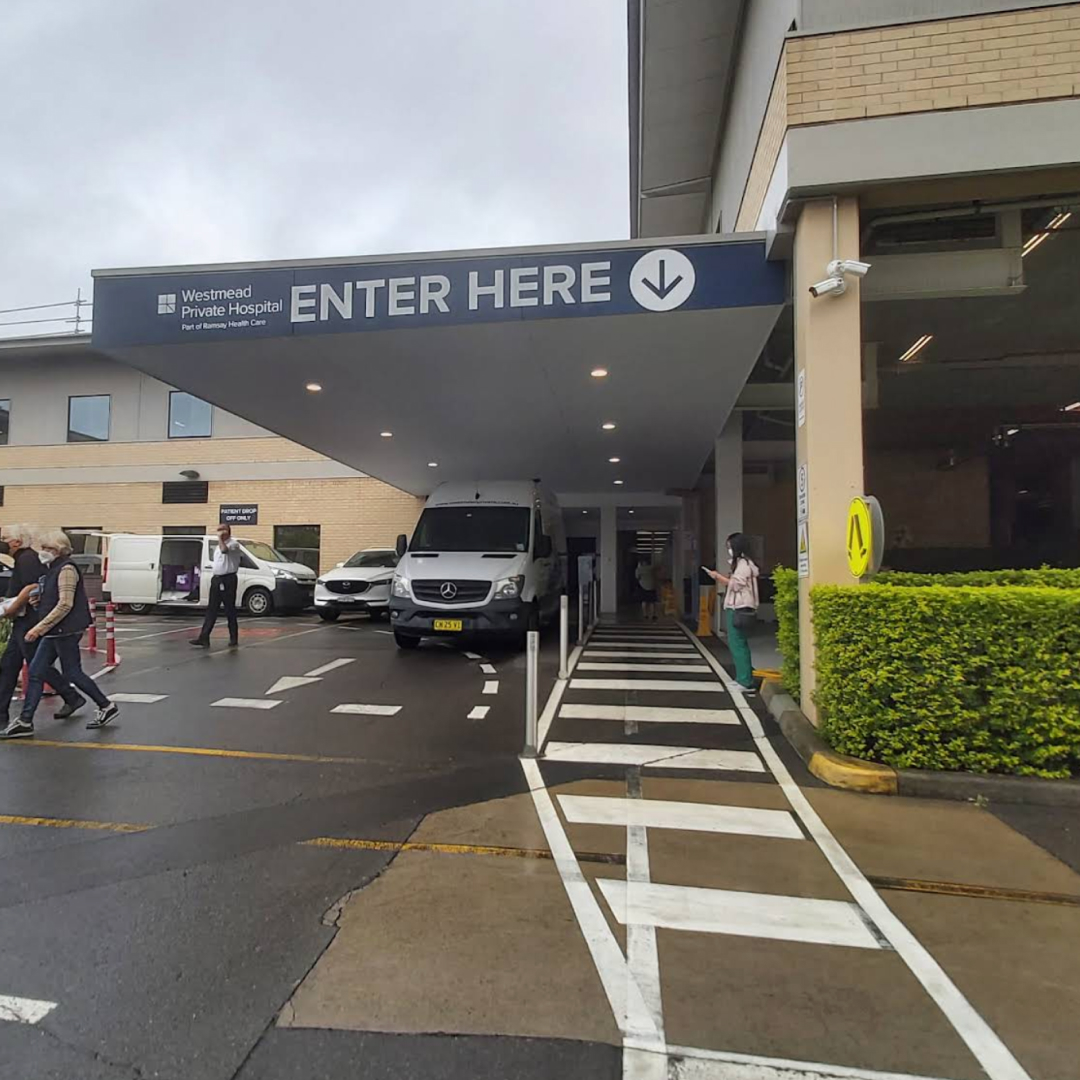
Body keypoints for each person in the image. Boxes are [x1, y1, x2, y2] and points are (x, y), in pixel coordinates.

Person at [2, 529, 118, 738]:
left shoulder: (66, 569)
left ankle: (106, 704)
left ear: (59, 549)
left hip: (65, 630)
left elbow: (65, 603)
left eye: (48, 548)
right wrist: (39, 602)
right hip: (56, 630)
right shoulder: (52, 568)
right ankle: (25, 721)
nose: (43, 552)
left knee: (71, 672)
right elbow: (55, 598)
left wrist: (38, 628)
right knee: (37, 671)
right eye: (43, 548)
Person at [0, 524, 84, 730]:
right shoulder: (23, 558)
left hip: (29, 620)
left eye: (3, 537)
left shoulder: (26, 559)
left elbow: (32, 586)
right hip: (25, 620)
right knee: (12, 666)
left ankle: (67, 698)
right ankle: (4, 714)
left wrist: (12, 607)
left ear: (16, 541)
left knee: (36, 667)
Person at [705, 533, 760, 694]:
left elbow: (736, 585)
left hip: (738, 607)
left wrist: (717, 577)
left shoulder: (743, 564)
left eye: (730, 546)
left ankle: (745, 680)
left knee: (737, 644)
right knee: (738, 643)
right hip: (739, 607)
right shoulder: (745, 563)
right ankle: (742, 679)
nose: (728, 550)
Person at [190, 524, 241, 648]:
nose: (219, 533)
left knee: (229, 609)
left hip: (228, 579)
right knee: (212, 609)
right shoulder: (218, 546)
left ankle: (233, 638)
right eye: (218, 530)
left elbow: (225, 551)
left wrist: (220, 539)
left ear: (227, 531)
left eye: (221, 530)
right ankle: (204, 637)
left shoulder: (233, 544)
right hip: (217, 579)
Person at [635, 555, 659, 621]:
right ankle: (654, 615)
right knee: (653, 602)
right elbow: (656, 575)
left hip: (643, 586)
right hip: (652, 586)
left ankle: (645, 615)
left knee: (644, 601)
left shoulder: (639, 569)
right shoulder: (652, 568)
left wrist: (638, 567)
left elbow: (637, 577)